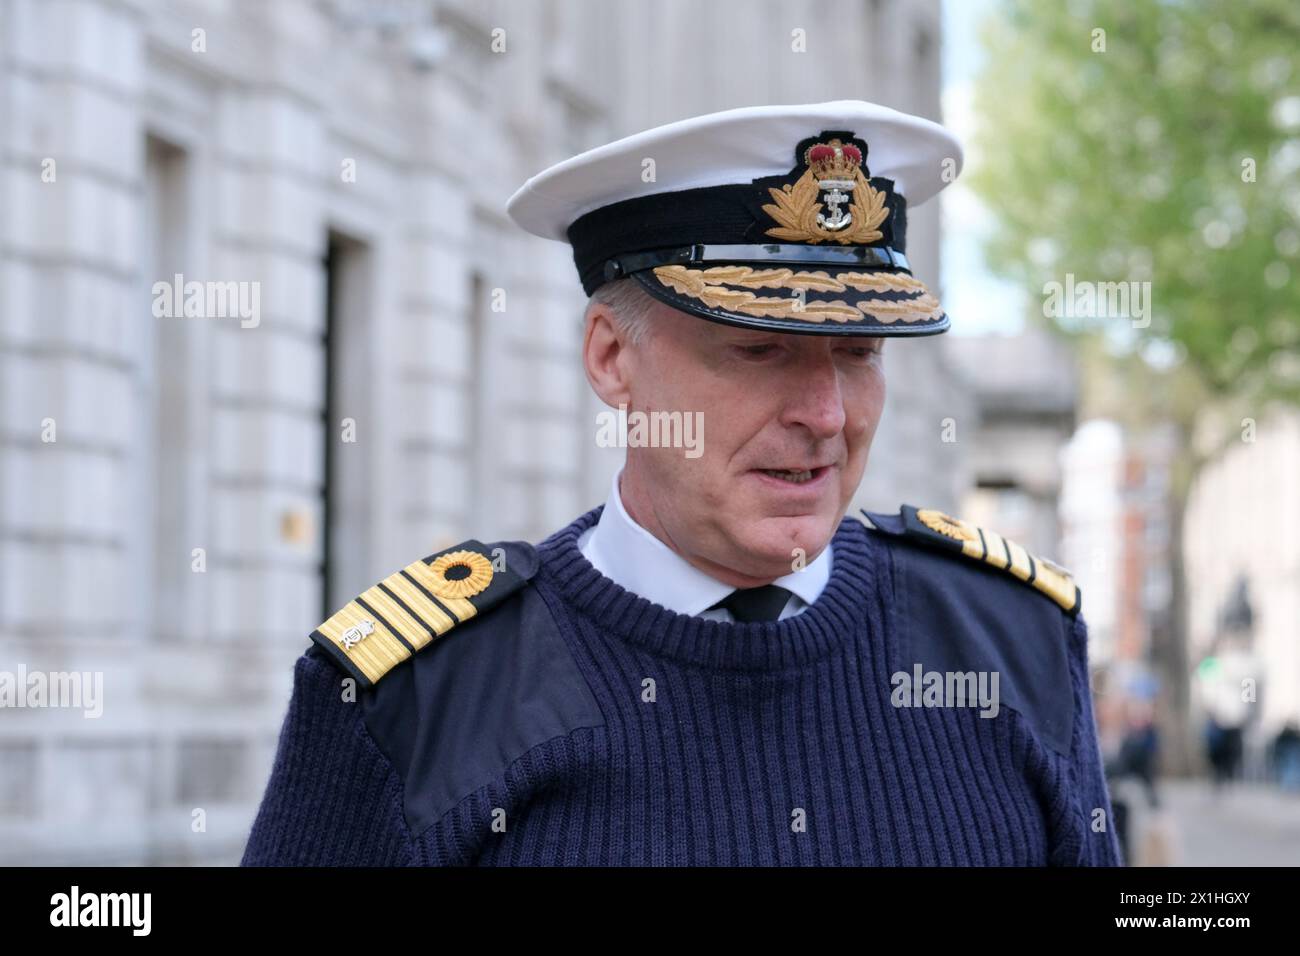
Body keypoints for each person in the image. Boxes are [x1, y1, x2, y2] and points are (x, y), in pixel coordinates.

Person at [240, 101, 1122, 866]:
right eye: (758, 350)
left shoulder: (1011, 643)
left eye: (858, 353)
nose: (824, 412)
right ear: (612, 357)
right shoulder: (416, 697)